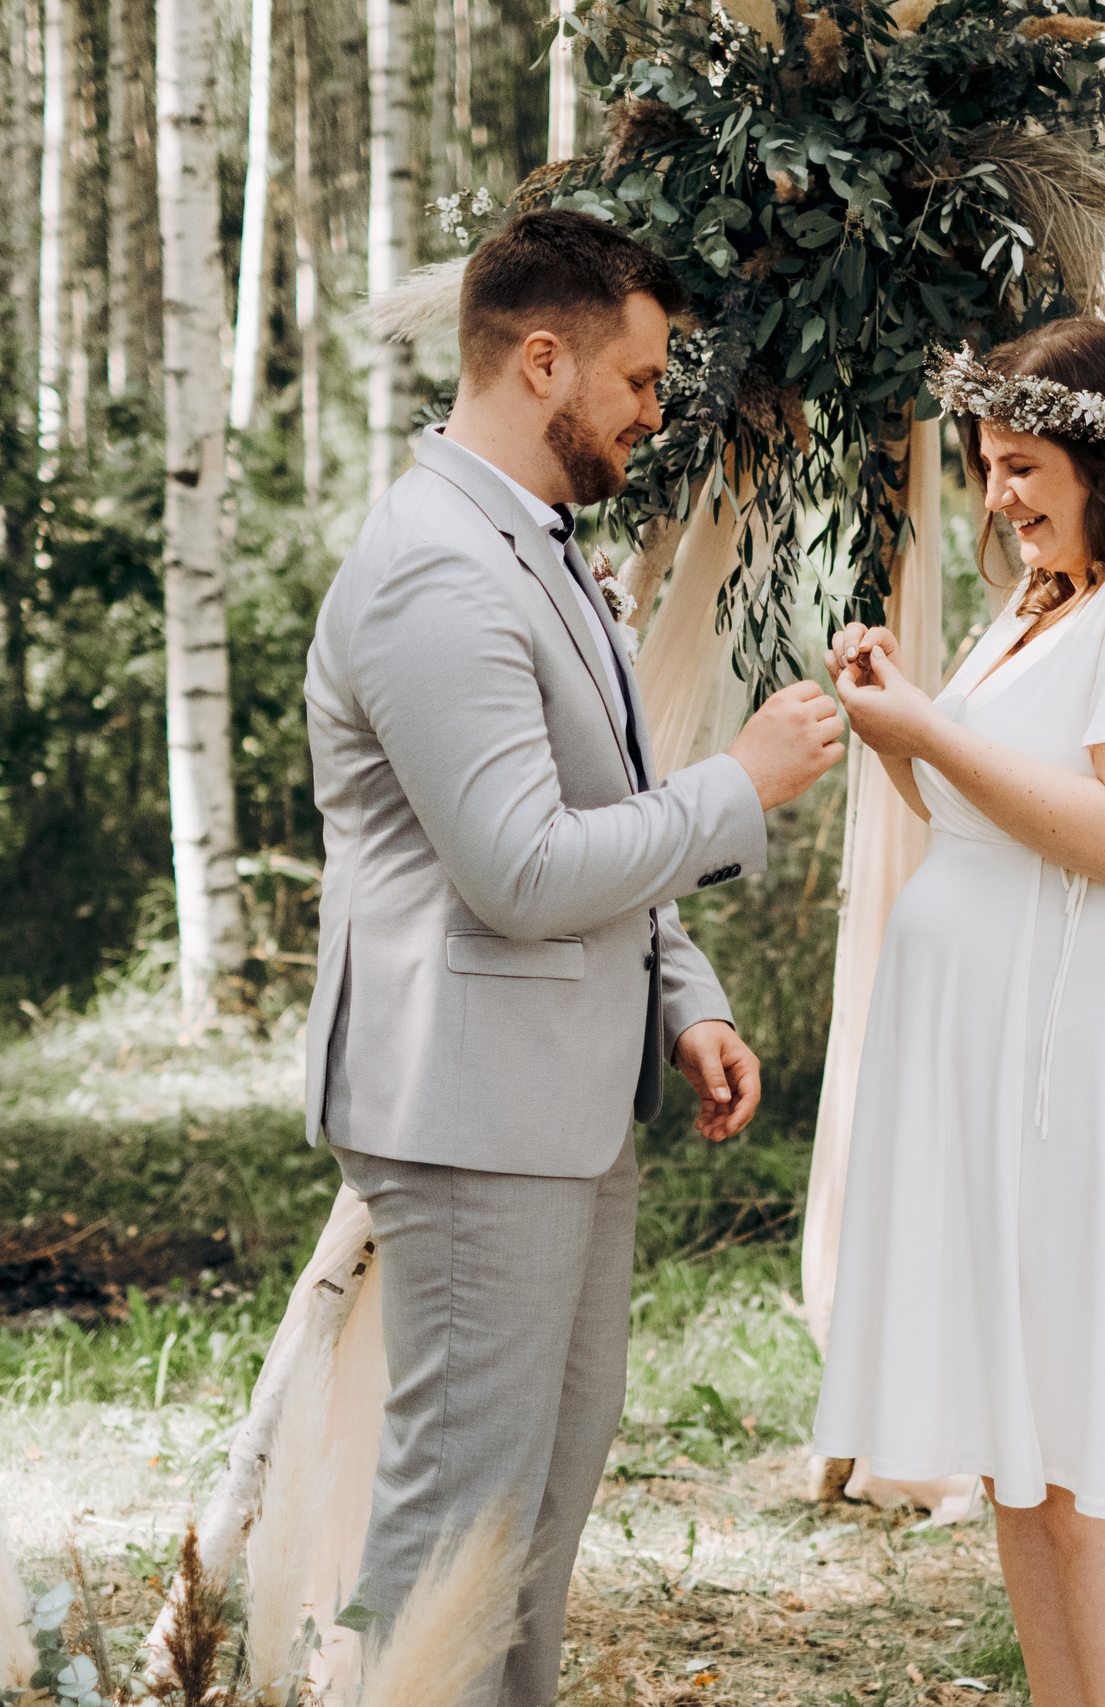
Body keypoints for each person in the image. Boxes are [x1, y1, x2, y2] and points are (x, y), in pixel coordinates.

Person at [302, 208, 844, 1706]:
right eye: (642, 380)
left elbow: (594, 808)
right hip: (469, 1107)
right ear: (542, 360)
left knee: (533, 1517)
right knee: (457, 1523)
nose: (655, 414)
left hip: (560, 1097)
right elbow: (524, 869)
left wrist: (683, 997)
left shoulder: (529, 544)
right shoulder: (435, 569)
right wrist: (742, 788)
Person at [813, 317, 1105, 1707]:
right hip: (1007, 1062)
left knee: (1095, 1466)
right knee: (1021, 1465)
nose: (999, 495)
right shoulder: (1046, 601)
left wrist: (927, 731)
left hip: (1104, 1061)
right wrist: (900, 720)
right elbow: (979, 811)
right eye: (984, 465)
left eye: (1023, 465)